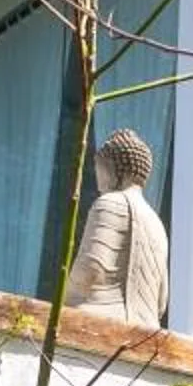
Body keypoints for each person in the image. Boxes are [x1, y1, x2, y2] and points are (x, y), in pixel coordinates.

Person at [62, 127, 168, 326]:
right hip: (146, 329)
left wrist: (63, 293)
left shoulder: (110, 203)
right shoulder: (157, 223)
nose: (97, 177)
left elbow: (91, 270)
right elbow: (161, 302)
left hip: (104, 319)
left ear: (115, 168)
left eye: (100, 168)